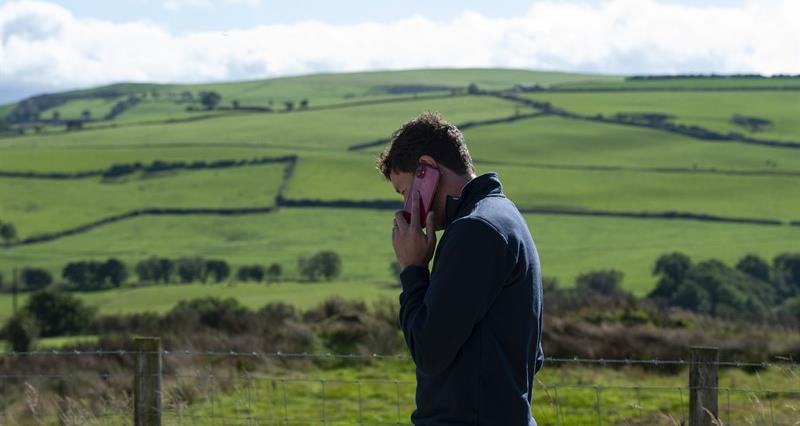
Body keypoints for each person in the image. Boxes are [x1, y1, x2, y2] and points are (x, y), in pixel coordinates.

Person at [377, 112, 544, 425]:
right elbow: (531, 357)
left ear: (426, 170)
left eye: (404, 190)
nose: (406, 207)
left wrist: (413, 269)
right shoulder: (502, 216)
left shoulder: (474, 230)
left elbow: (428, 351)